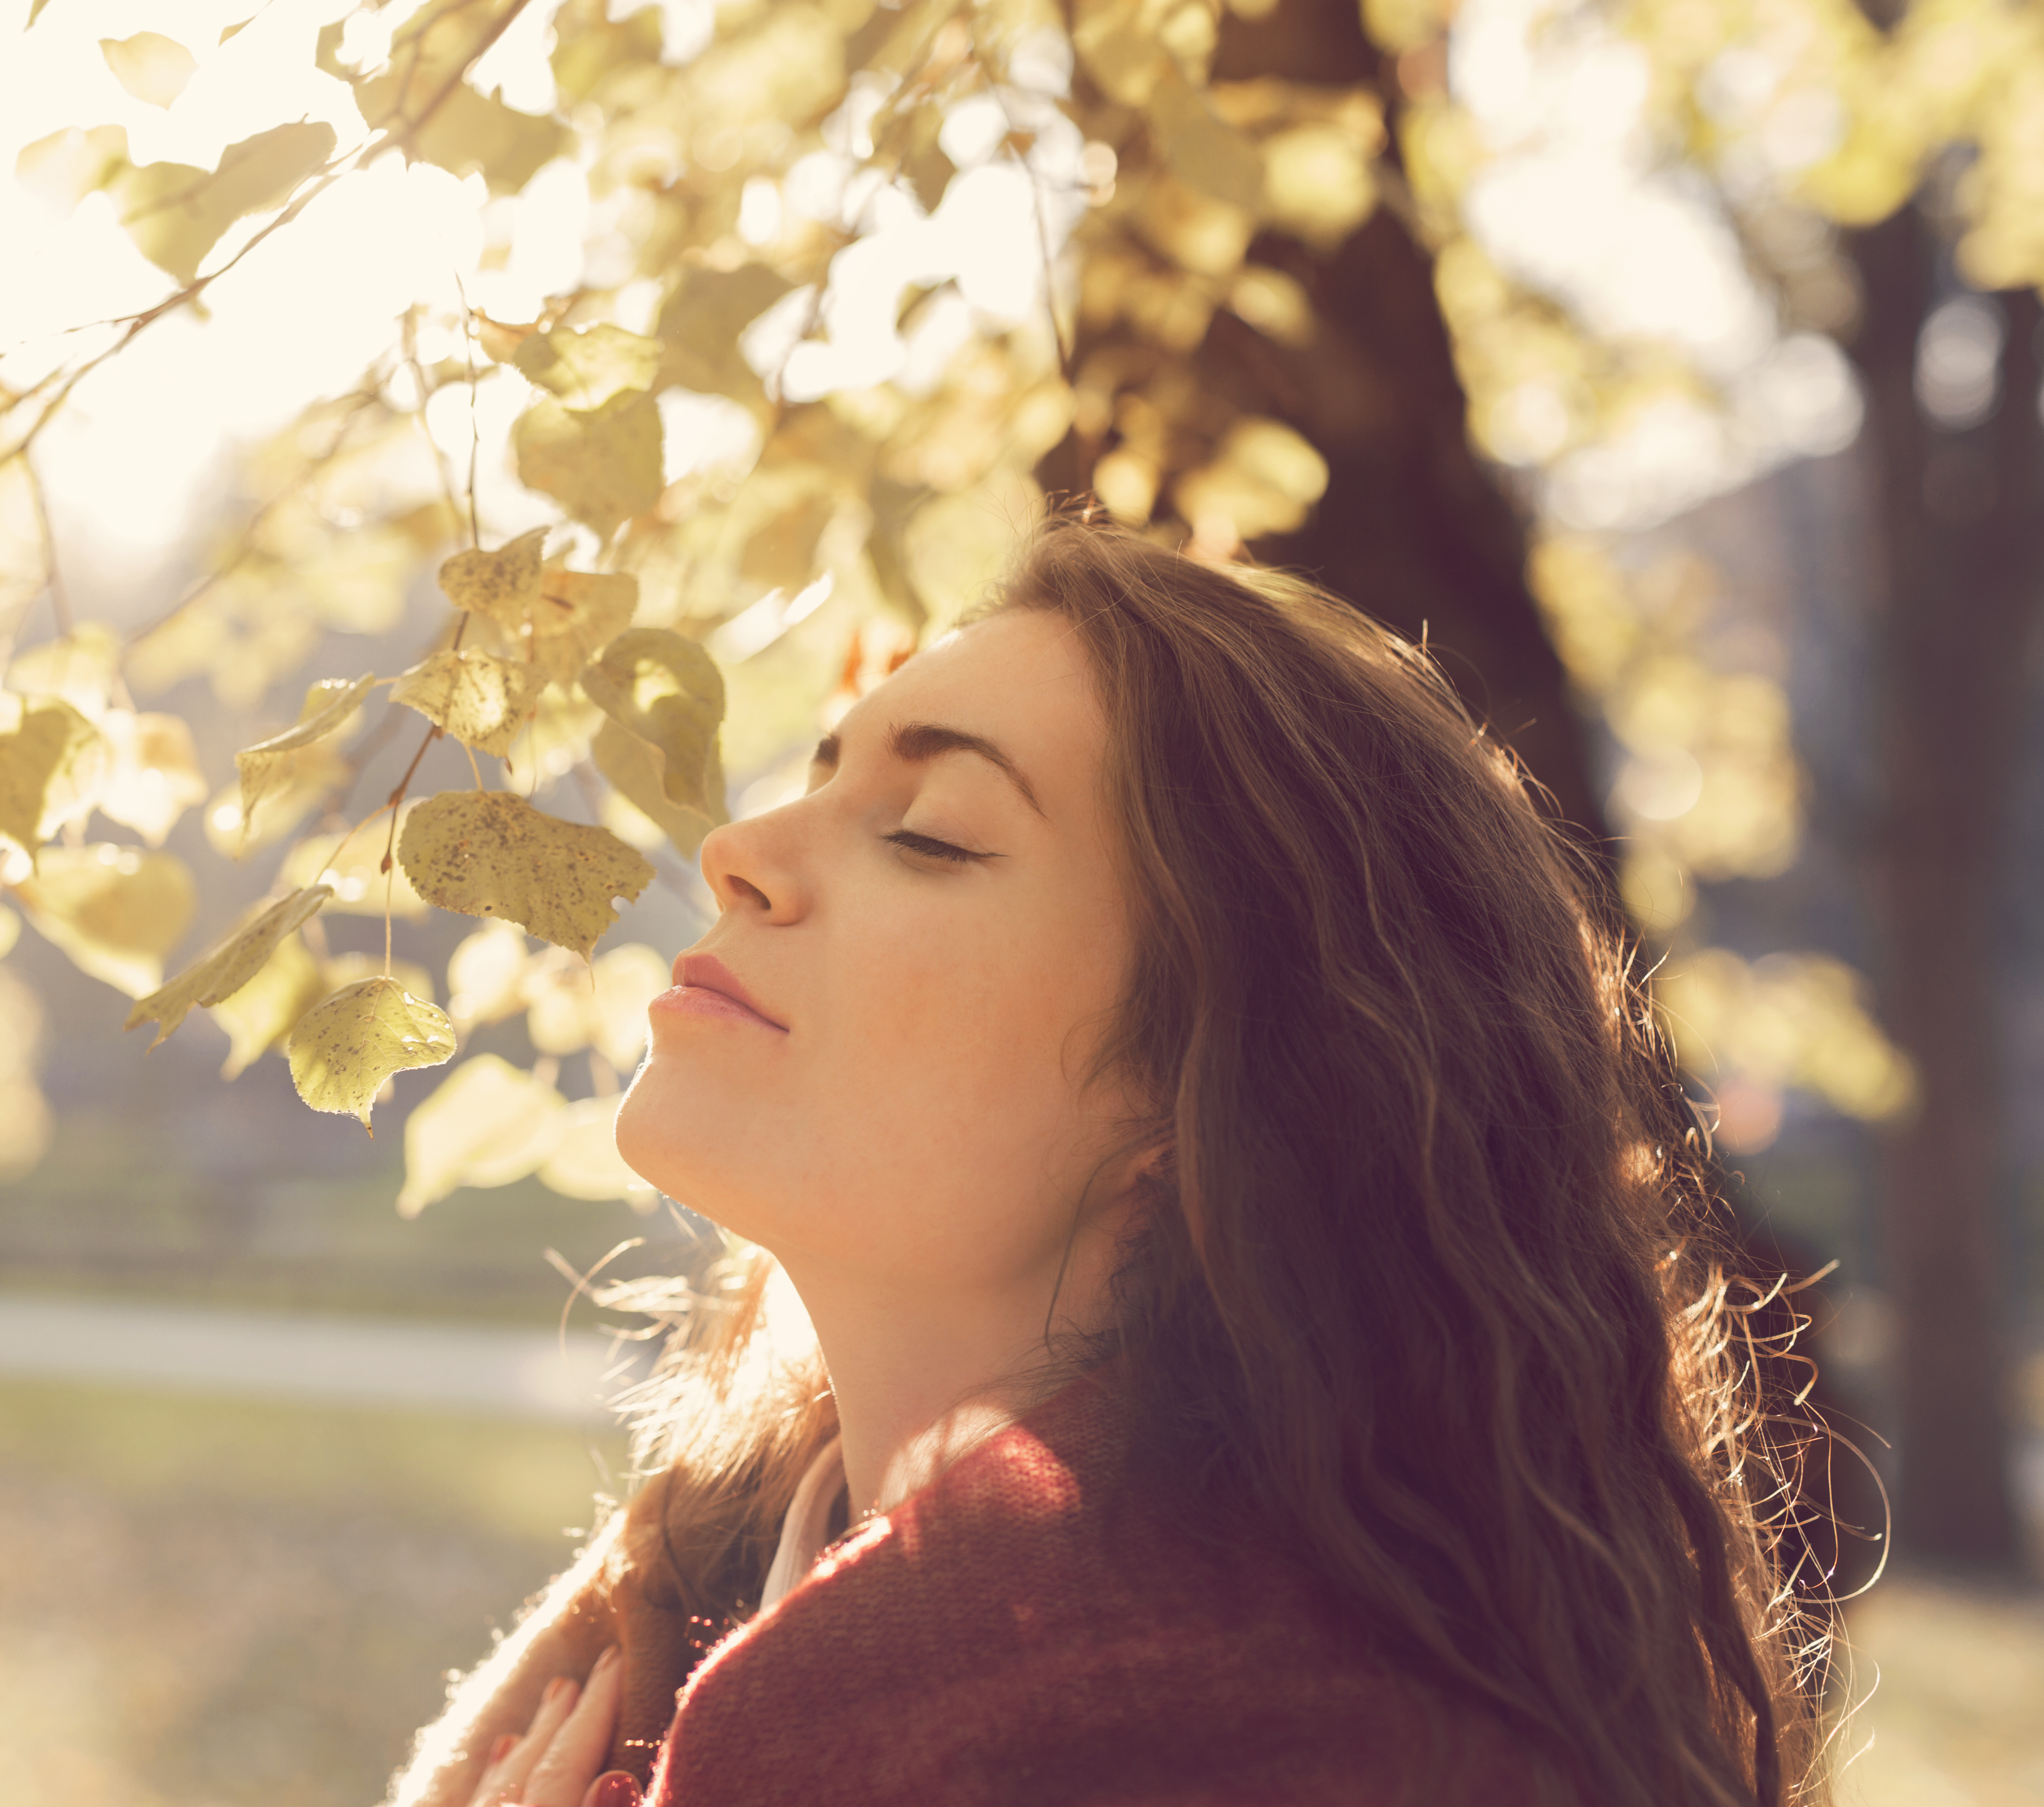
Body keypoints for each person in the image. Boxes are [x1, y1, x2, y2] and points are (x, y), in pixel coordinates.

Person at [384, 522, 1833, 1807]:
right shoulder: (679, 1600)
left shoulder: (1200, 1728)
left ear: (1210, 1096)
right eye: (812, 774)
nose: (742, 848)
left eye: (931, 837)